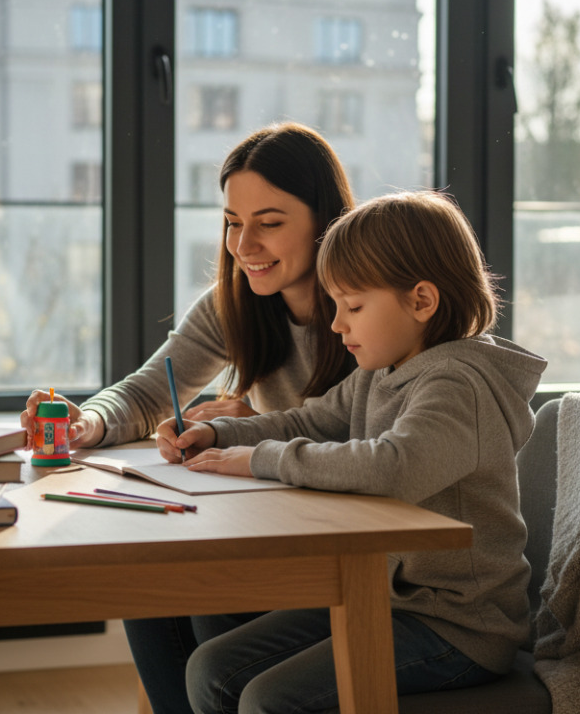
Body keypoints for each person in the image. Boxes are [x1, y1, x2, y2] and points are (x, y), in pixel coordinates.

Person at [158, 190, 548, 713]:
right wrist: (223, 434)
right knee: (212, 669)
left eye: (353, 306)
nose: (338, 324)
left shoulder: (460, 383)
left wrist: (261, 458)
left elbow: (395, 466)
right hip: (384, 598)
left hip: (458, 626)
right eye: (335, 305)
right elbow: (312, 420)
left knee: (271, 700)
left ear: (421, 301)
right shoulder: (379, 372)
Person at [20, 121, 357, 714]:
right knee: (150, 586)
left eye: (269, 223)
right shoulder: (237, 303)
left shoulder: (369, 307)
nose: (244, 245)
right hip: (285, 516)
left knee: (210, 594)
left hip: (352, 532)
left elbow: (364, 435)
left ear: (326, 220)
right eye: (232, 223)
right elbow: (148, 392)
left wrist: (241, 421)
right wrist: (86, 425)